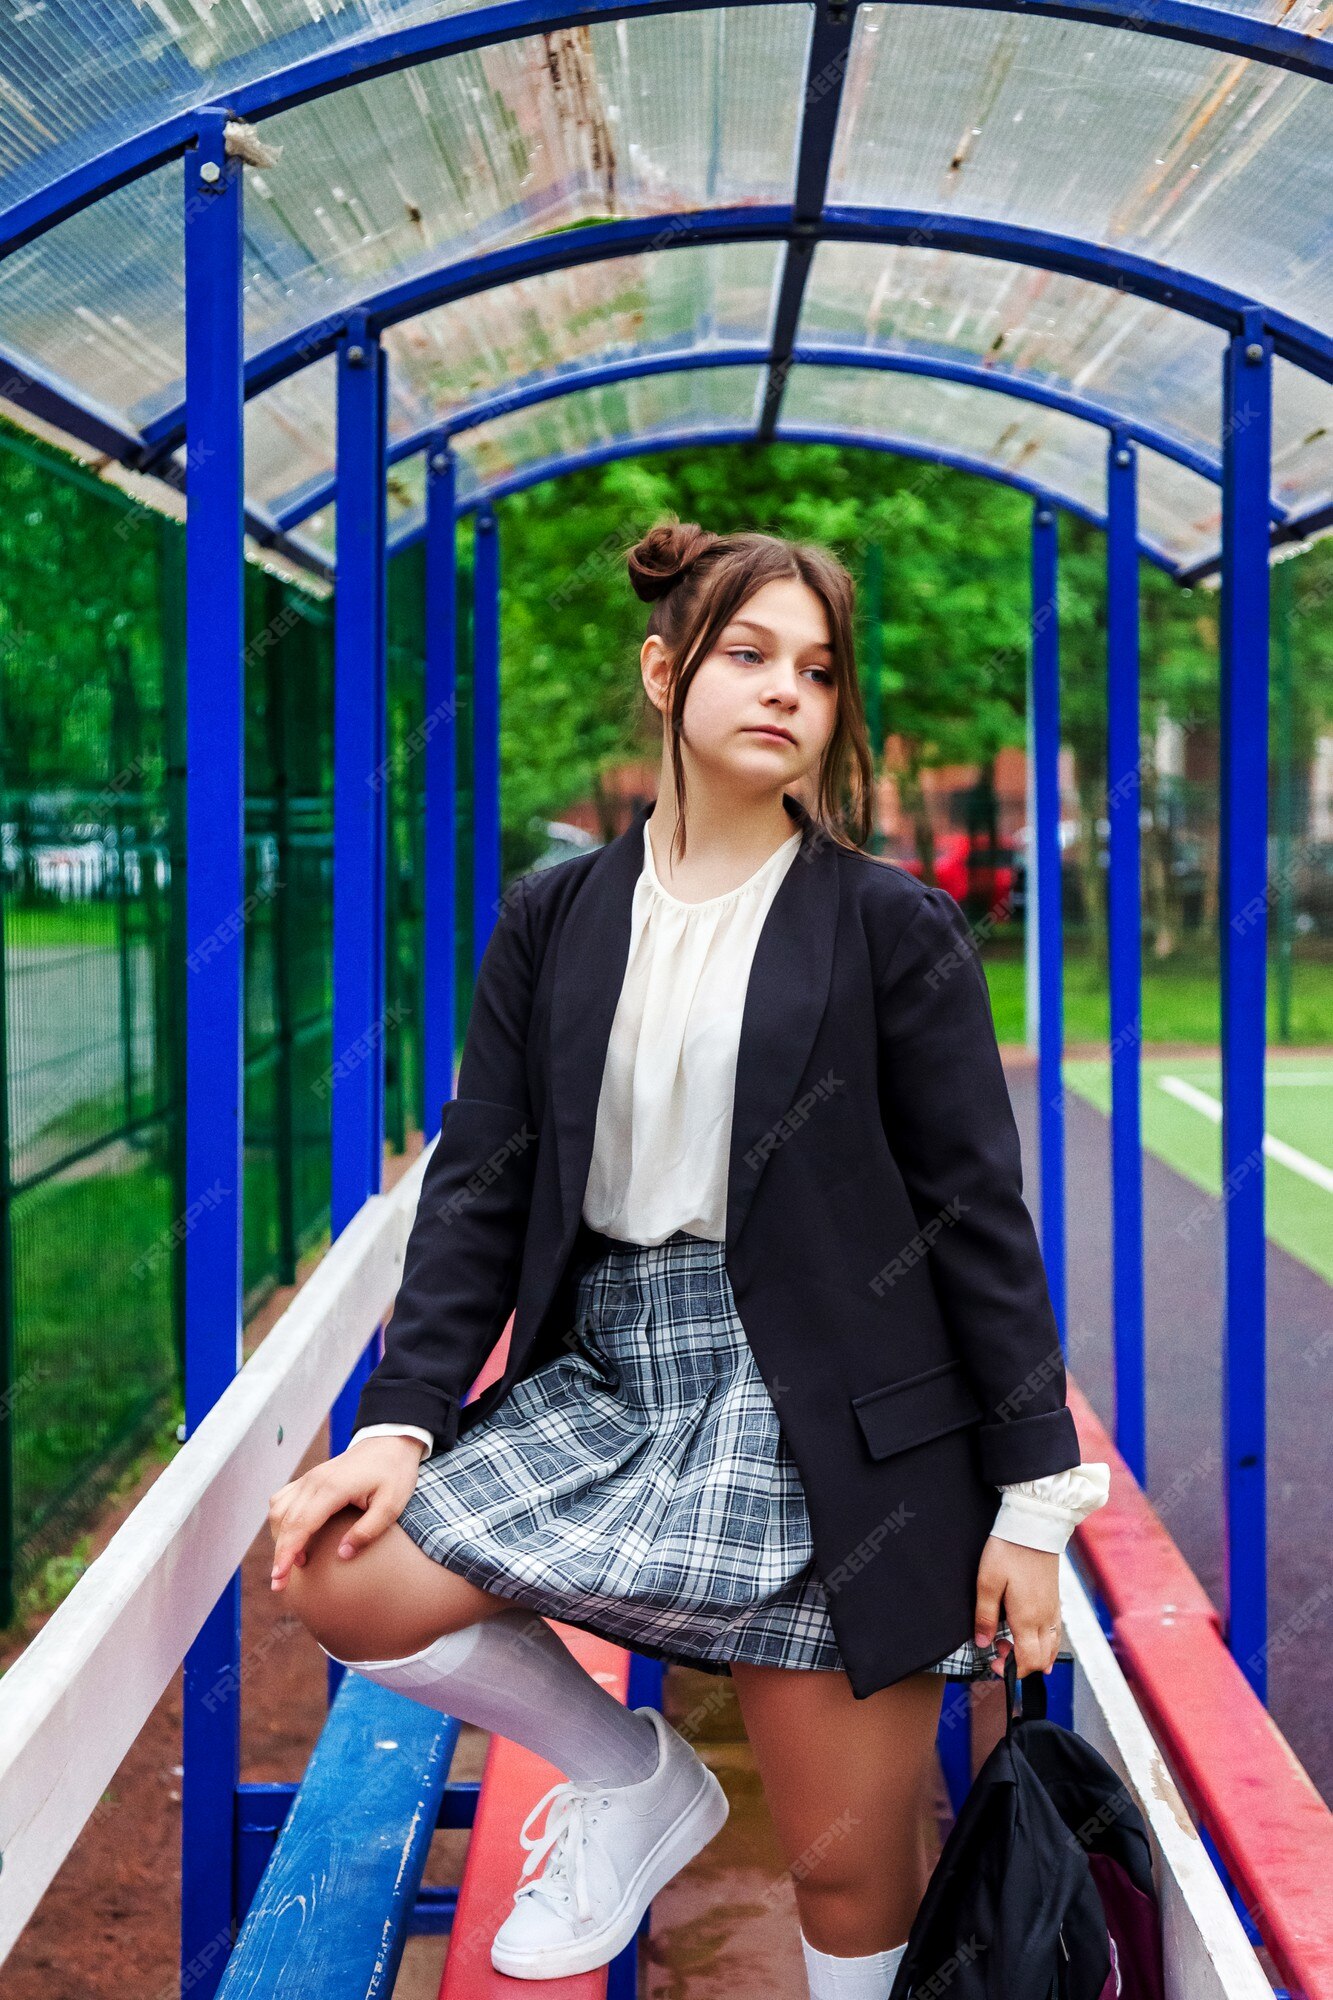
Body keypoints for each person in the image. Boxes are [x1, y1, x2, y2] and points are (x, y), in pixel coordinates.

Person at [268, 521, 1109, 1997]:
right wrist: (402, 1422)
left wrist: (1033, 1505)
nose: (786, 689)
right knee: (345, 1574)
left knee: (847, 1860)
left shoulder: (886, 925)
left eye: (818, 670)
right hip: (614, 1379)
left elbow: (978, 1217)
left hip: (837, 1410)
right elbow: (479, 1180)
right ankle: (636, 1777)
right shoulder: (556, 918)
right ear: (665, 673)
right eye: (747, 653)